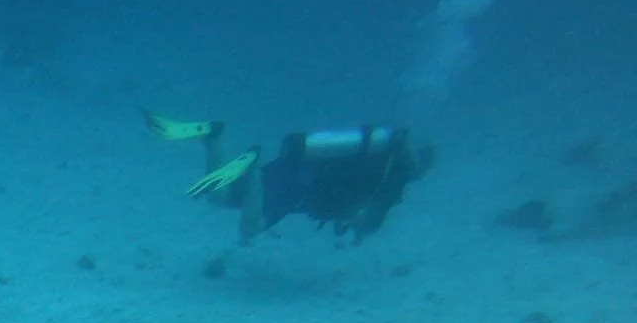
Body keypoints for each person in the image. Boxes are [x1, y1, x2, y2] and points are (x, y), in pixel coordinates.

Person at [145, 110, 435, 243]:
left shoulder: (375, 156)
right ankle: (252, 172)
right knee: (250, 229)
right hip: (301, 186)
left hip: (292, 166)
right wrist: (357, 224)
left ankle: (212, 137)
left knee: (219, 197)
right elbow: (368, 221)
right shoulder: (392, 180)